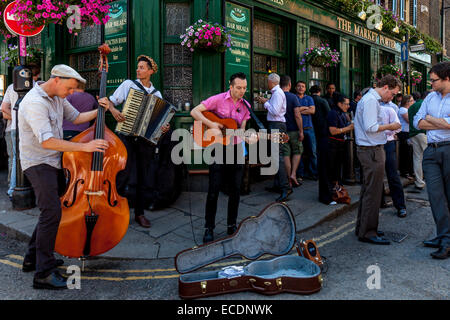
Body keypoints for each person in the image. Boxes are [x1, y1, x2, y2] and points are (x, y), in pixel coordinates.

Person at [18, 64, 112, 289]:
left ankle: (33, 257)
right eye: (69, 88)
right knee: (51, 213)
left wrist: (100, 109)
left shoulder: (57, 97)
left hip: (52, 161)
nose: (71, 93)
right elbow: (47, 141)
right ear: (57, 79)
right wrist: (86, 147)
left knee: (50, 212)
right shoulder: (34, 103)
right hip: (38, 163)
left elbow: (78, 118)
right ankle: (43, 273)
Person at [98, 55, 169, 228]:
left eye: (142, 67)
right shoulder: (128, 85)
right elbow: (109, 102)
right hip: (126, 137)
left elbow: (159, 123)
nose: (138, 70)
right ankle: (113, 211)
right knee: (122, 175)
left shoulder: (156, 93)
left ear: (151, 71)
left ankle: (139, 213)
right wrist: (114, 111)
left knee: (144, 177)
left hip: (145, 141)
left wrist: (163, 128)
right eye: (138, 67)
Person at [191, 72, 254, 243]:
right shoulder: (218, 99)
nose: (242, 91)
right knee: (213, 191)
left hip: (236, 150)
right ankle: (209, 228)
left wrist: (249, 137)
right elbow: (194, 111)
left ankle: (231, 225)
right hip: (217, 149)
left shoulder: (246, 105)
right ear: (231, 86)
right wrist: (212, 125)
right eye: (239, 88)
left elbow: (241, 129)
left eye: (244, 88)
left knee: (235, 191)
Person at [354, 75, 402, 245]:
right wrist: (391, 126)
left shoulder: (371, 100)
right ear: (386, 87)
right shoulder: (371, 101)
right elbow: (371, 127)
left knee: (369, 191)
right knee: (373, 193)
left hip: (370, 149)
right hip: (371, 151)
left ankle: (363, 227)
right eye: (393, 94)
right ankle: (368, 232)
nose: (392, 98)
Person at [414, 61, 450, 259]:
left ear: (447, 78)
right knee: (435, 197)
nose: (431, 84)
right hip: (431, 151)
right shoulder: (430, 98)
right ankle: (443, 236)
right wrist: (443, 123)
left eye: (434, 80)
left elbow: (427, 121)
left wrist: (431, 120)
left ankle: (447, 240)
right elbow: (417, 121)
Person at [1, 64, 41, 200]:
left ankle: (13, 188)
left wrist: (14, 117)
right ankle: (15, 189)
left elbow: (4, 108)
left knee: (16, 159)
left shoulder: (11, 87)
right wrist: (22, 119)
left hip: (14, 128)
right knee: (27, 157)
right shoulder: (35, 87)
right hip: (29, 128)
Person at [256, 73, 291, 202]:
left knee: (278, 157)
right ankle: (278, 185)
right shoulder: (277, 92)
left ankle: (285, 188)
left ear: (271, 82)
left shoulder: (277, 93)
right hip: (276, 125)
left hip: (277, 125)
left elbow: (275, 111)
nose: (267, 83)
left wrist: (265, 102)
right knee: (276, 156)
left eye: (268, 81)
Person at [380, 100, 407, 218]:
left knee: (392, 175)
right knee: (375, 177)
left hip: (388, 144)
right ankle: (380, 202)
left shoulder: (389, 109)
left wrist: (387, 132)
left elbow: (398, 127)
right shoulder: (367, 110)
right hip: (373, 145)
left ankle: (401, 206)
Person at [310, 85, 333, 205]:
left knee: (311, 152)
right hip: (324, 131)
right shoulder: (323, 101)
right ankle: (316, 172)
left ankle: (311, 171)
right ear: (319, 91)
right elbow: (329, 115)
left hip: (311, 128)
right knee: (322, 157)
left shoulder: (308, 100)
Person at [326, 94, 354, 193]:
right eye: (346, 104)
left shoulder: (341, 113)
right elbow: (333, 131)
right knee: (332, 169)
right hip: (332, 145)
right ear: (339, 104)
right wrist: (348, 128)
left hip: (339, 145)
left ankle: (337, 187)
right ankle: (332, 190)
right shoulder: (333, 113)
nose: (348, 106)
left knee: (337, 168)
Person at [280, 75, 303, 188]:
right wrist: (301, 131)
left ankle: (288, 178)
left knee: (285, 154)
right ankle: (294, 174)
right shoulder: (293, 97)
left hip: (282, 130)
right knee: (297, 151)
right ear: (289, 85)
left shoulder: (276, 96)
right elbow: (297, 115)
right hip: (294, 129)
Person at [294, 80, 317, 181]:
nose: (301, 88)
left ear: (305, 88)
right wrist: (304, 108)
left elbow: (312, 110)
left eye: (303, 86)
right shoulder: (293, 98)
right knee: (299, 152)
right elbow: (292, 111)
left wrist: (299, 110)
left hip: (309, 129)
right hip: (297, 130)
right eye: (299, 86)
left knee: (312, 152)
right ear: (295, 88)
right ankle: (300, 174)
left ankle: (314, 173)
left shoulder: (309, 98)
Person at [408, 91, 429, 190]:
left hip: (413, 133)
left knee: (417, 158)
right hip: (423, 132)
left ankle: (419, 182)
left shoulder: (411, 107)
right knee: (430, 157)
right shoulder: (424, 104)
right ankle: (432, 179)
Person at [397, 94, 414, 179]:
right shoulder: (403, 110)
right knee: (405, 153)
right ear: (407, 102)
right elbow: (409, 120)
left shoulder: (407, 109)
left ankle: (408, 171)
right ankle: (405, 171)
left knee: (408, 152)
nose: (413, 102)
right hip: (404, 133)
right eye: (411, 100)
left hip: (407, 132)